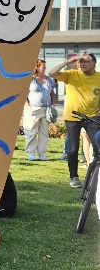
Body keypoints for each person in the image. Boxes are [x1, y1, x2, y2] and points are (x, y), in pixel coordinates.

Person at [48, 52, 100, 187]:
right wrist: (68, 62)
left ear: (94, 63)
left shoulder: (99, 77)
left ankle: (95, 175)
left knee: (97, 146)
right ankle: (74, 177)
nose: (82, 63)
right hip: (72, 117)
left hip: (92, 116)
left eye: (86, 61)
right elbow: (51, 73)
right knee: (73, 148)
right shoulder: (71, 74)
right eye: (80, 61)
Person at [23, 59, 56, 161]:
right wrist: (28, 107)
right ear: (36, 67)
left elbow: (52, 94)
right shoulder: (30, 79)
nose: (45, 68)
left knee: (44, 133)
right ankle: (30, 153)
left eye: (45, 67)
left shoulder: (49, 80)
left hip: (46, 109)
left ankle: (42, 153)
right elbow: (23, 94)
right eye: (43, 66)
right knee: (31, 132)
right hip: (33, 109)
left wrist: (53, 105)